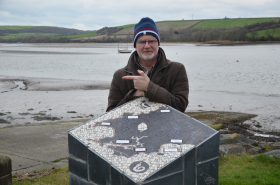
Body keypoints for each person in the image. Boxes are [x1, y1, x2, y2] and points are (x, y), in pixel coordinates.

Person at [106, 17, 189, 113]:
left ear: (158, 43)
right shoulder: (120, 75)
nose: (147, 46)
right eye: (142, 42)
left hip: (166, 127)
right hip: (133, 128)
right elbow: (111, 113)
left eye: (151, 41)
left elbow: (181, 106)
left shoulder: (177, 70)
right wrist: (134, 94)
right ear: (135, 45)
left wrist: (149, 88)